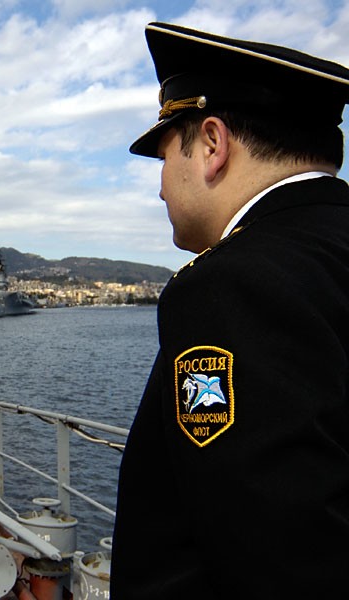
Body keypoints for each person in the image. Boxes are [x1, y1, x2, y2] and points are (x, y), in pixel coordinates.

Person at [111, 22, 349, 598]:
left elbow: (276, 562)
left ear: (213, 145)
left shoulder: (231, 286)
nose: (161, 188)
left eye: (165, 155)